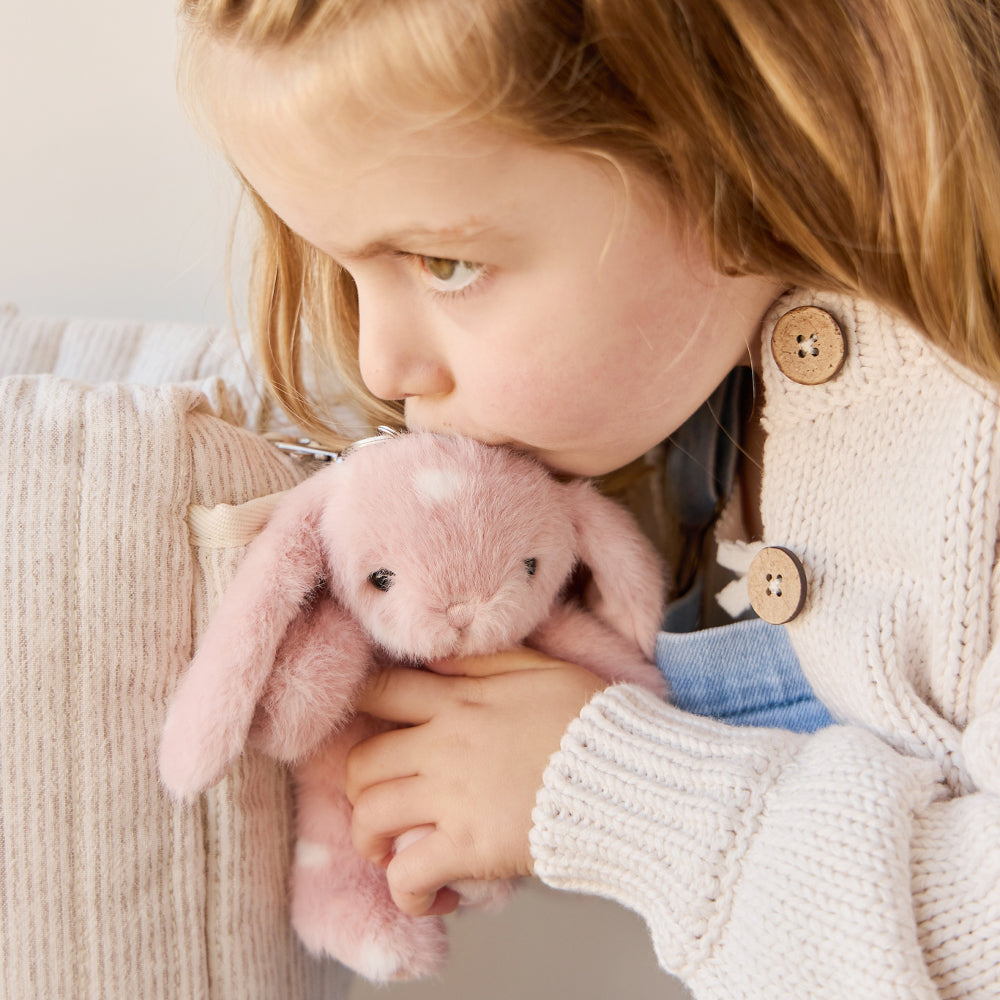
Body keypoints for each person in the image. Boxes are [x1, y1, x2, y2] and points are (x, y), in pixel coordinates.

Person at [177, 1, 1000, 996]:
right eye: (340, 264)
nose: (380, 362)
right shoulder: (673, 388)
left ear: (746, 135)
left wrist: (602, 786)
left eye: (446, 264)